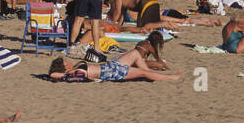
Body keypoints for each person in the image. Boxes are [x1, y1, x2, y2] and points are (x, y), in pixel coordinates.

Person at [46, 54, 183, 82]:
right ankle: (170, 77)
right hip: (111, 73)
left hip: (111, 66)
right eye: (66, 63)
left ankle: (152, 73)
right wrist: (57, 74)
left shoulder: (75, 67)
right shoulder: (74, 73)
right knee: (142, 73)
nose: (69, 62)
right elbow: (54, 76)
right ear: (63, 69)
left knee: (136, 53)